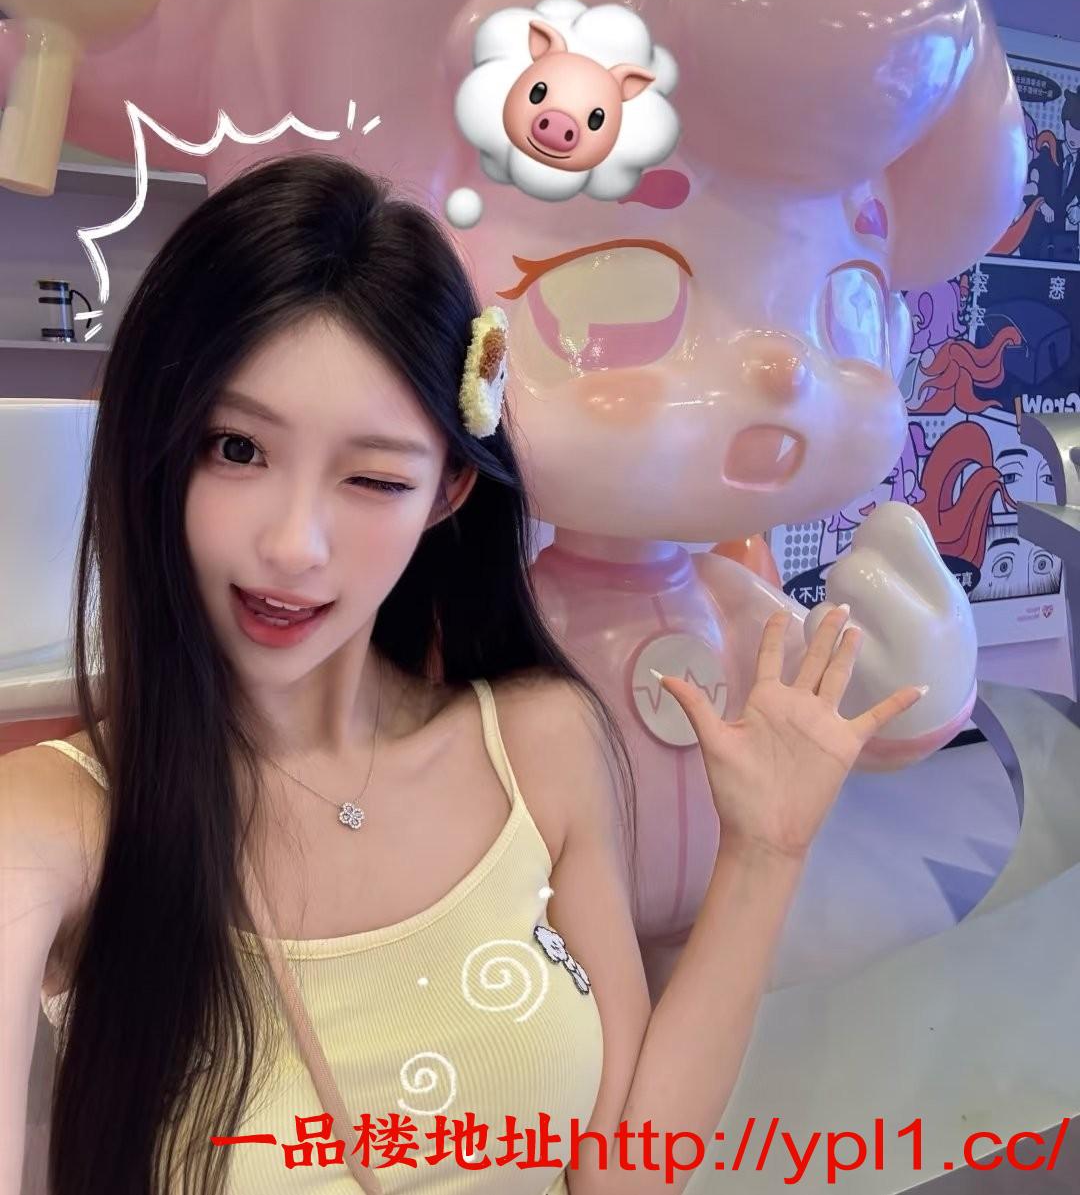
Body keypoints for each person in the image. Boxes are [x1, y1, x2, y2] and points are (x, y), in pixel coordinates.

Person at [0, 154, 922, 1195]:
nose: (294, 544)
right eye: (237, 449)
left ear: (445, 493)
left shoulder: (538, 741)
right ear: (157, 448)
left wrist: (764, 852)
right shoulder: (60, 820)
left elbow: (620, 1170)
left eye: (372, 477)